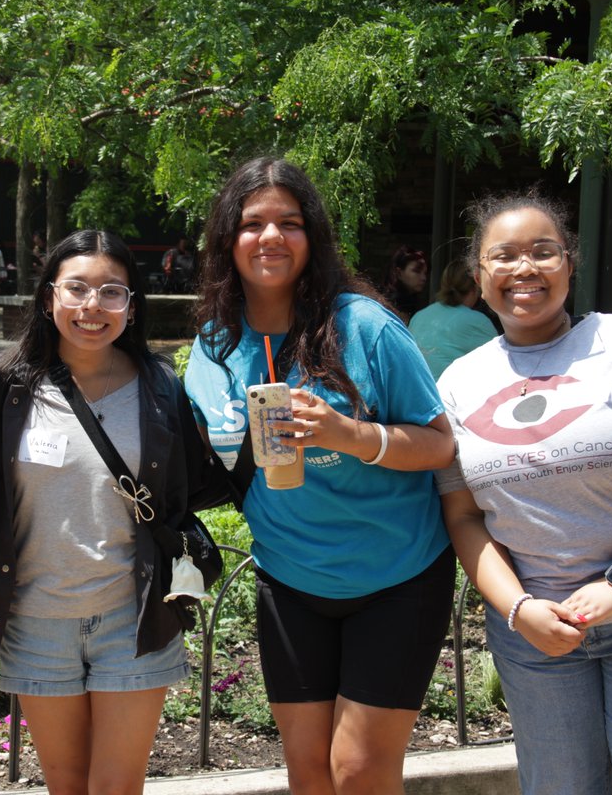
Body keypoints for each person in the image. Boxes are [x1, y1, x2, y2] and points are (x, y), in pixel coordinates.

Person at [436, 190, 612, 795]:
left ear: (570, 263)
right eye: (504, 256)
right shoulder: (459, 382)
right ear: (479, 273)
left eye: (544, 252)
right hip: (537, 638)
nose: (524, 268)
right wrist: (518, 610)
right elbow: (462, 515)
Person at [184, 157, 456, 795]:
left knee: (358, 772)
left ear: (314, 237)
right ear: (228, 238)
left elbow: (441, 445)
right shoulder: (213, 344)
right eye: (253, 223)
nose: (271, 236)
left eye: (290, 222)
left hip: (397, 575)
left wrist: (347, 435)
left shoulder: (364, 327)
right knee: (309, 774)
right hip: (290, 577)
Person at [0, 229, 227, 794]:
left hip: (134, 614)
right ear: (49, 296)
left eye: (112, 292)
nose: (92, 306)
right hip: (35, 617)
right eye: (76, 288)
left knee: (117, 786)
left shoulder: (161, 385)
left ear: (131, 304)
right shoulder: (3, 384)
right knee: (67, 784)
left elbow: (192, 486)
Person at [408, 262, 498, 379]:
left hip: (419, 391)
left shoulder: (419, 316)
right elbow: (500, 365)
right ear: (476, 287)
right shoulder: (477, 321)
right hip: (452, 394)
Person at [380, 244, 428, 323]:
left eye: (425, 273)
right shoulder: (391, 305)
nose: (424, 278)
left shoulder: (413, 303)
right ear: (399, 273)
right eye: (417, 271)